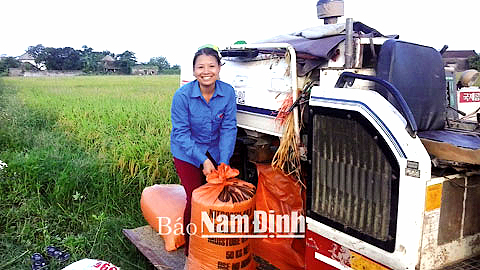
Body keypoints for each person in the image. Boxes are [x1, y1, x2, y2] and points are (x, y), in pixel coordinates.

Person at [170, 45, 237, 256]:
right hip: (186, 151)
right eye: (200, 67)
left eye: (211, 66)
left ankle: (215, 243)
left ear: (219, 68)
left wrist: (224, 160)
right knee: (196, 196)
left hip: (216, 150)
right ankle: (193, 250)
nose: (206, 71)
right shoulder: (182, 96)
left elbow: (228, 128)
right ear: (193, 71)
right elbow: (181, 133)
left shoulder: (227, 93)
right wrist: (202, 160)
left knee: (220, 194)